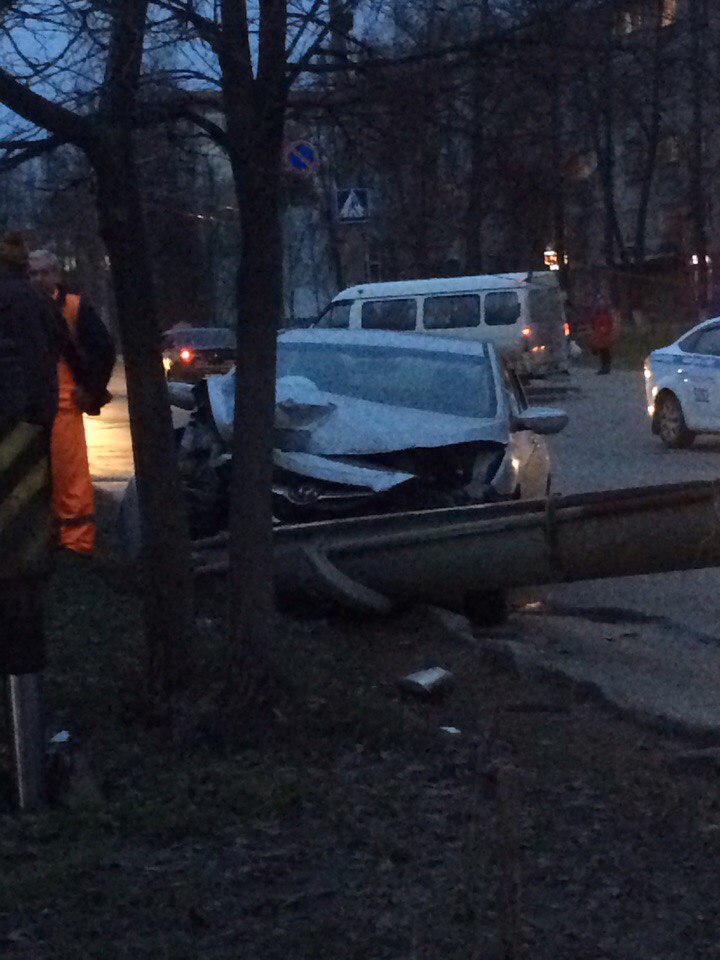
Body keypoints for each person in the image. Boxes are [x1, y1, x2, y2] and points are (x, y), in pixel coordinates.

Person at [0, 233, 64, 808]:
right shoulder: (33, 305)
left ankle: (22, 767)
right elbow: (71, 349)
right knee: (21, 590)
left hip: (19, 450)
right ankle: (26, 764)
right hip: (25, 451)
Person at [28, 250, 116, 556]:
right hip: (30, 409)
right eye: (32, 273)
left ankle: (76, 545)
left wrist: (90, 389)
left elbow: (104, 349)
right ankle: (46, 542)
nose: (38, 279)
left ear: (56, 275)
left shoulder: (74, 307)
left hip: (65, 407)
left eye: (43, 272)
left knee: (70, 480)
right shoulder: (21, 309)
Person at [589, 298, 616, 375]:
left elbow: (608, 325)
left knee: (605, 353)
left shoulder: (606, 315)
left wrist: (605, 330)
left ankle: (606, 368)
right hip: (600, 337)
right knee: (603, 353)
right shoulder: (598, 315)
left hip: (604, 336)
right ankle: (605, 368)